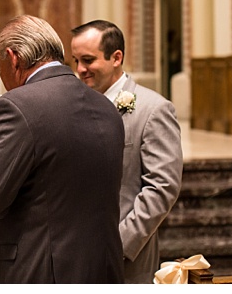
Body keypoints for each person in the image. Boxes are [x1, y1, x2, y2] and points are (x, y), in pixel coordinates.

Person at [0, 15, 125, 284]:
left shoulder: (15, 106)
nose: (2, 77)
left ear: (13, 57)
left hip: (42, 271)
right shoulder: (106, 107)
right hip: (104, 270)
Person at [70, 20, 183, 283]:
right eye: (75, 61)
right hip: (74, 254)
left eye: (87, 60)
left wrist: (116, 246)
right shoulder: (73, 105)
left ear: (116, 57)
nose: (80, 70)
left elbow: (162, 187)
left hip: (125, 259)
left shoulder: (154, 109)